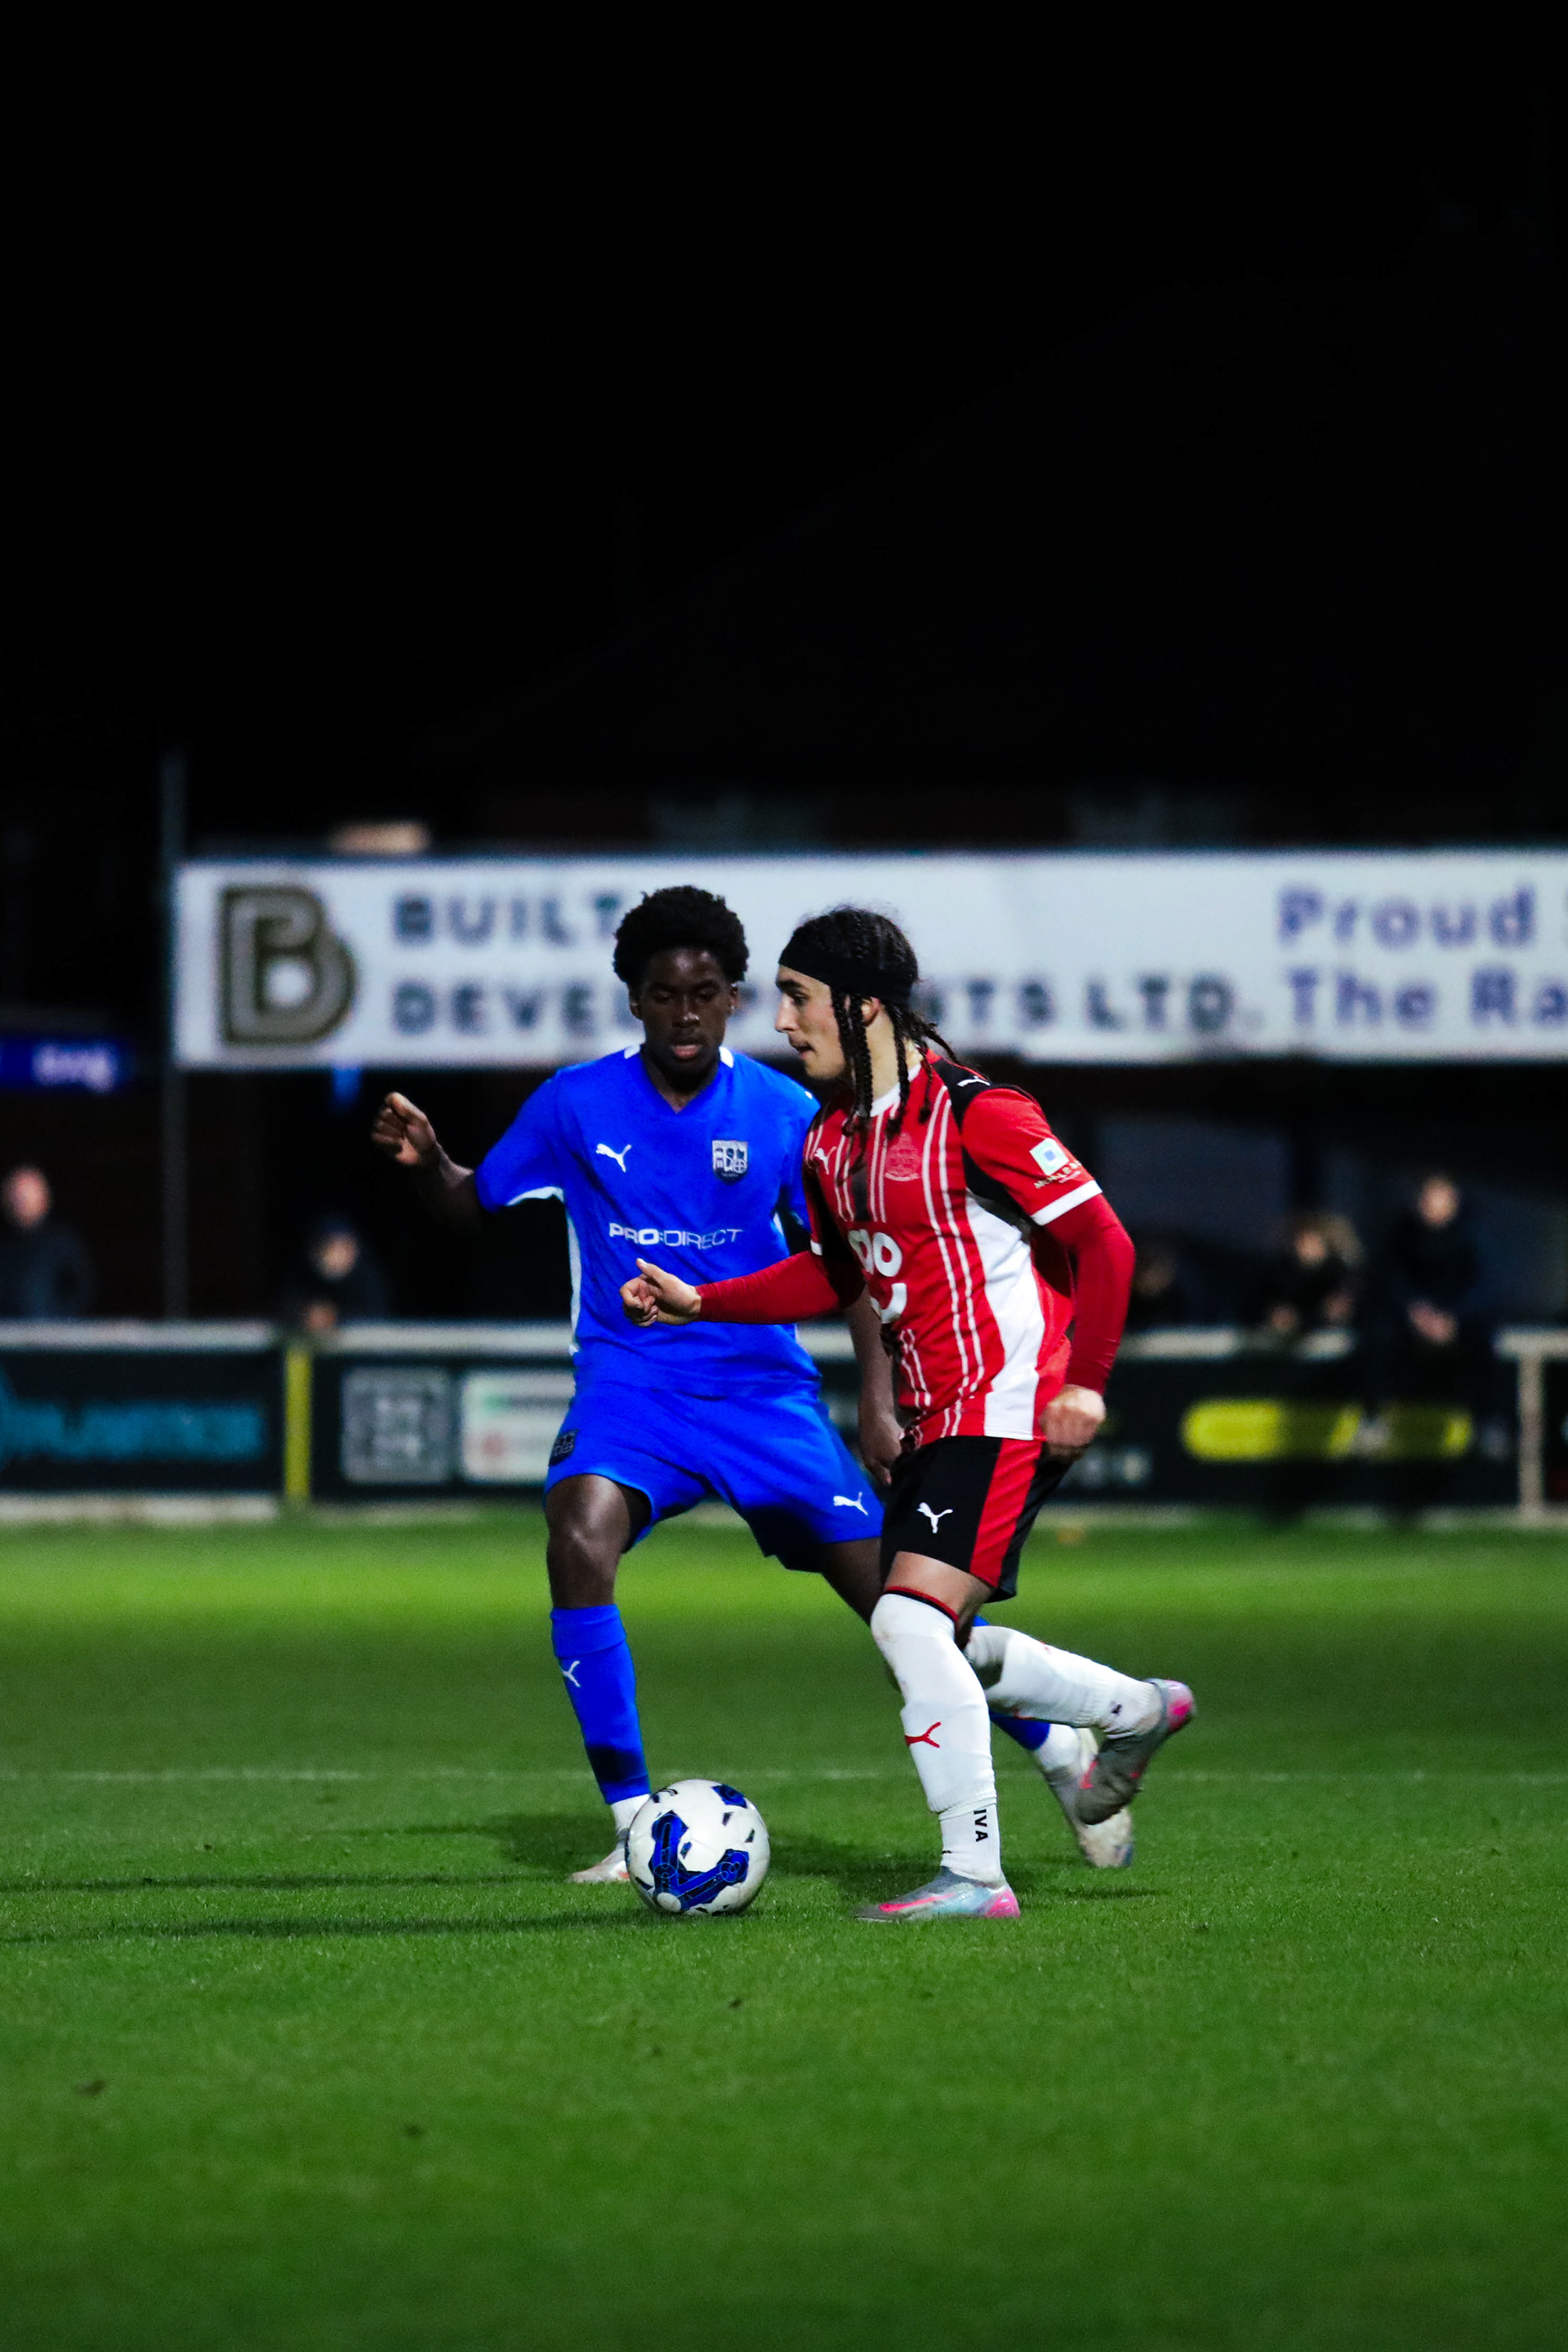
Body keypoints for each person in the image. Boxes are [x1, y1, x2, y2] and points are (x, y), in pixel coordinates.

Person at [622, 906, 1193, 1922]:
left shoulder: (982, 1117)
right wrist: (703, 1299)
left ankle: (975, 1876)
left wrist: (1087, 1382)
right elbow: (836, 1273)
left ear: (865, 1005)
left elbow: (1106, 1244)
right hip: (939, 1418)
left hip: (1008, 1398)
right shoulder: (832, 1141)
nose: (782, 1020)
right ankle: (1133, 1712)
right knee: (940, 1639)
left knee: (903, 1617)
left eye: (798, 998)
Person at [371, 888, 902, 1883]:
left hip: (759, 1391)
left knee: (899, 1603)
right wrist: (429, 1163)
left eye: (706, 993)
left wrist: (875, 1397)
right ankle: (629, 1824)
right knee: (577, 1533)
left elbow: (852, 1263)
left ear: (734, 1000)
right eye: (665, 994)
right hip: (633, 1386)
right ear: (636, 1001)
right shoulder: (575, 1103)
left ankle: (1056, 1736)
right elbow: (478, 1210)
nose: (686, 1013)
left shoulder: (786, 1112)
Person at [1358, 1173, 1493, 1430]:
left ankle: (1486, 1423)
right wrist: (1415, 1313)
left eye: (1440, 1197)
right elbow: (1389, 1281)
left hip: (1454, 1322)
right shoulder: (1399, 1235)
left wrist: (1452, 1318)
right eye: (1427, 1197)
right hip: (1406, 1322)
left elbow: (1482, 1288)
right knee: (1377, 1334)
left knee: (1483, 1336)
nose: (1432, 1204)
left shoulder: (1471, 1238)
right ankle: (1373, 1418)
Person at [0, 1165, 95, 1320]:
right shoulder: (3, 1247)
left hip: (53, 1337)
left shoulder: (63, 1243)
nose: (21, 1202)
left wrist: (63, 1323)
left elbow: (82, 1290)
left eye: (27, 1196)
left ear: (44, 1198)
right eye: (16, 1196)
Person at [1253, 1211, 1361, 1339]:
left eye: (1313, 1242)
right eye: (1302, 1242)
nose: (1306, 1248)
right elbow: (1269, 1305)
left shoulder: (1341, 1275)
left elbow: (1340, 1310)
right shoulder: (1282, 1273)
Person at [278, 1214, 393, 1334]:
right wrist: (304, 1313)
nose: (337, 1255)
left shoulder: (368, 1279)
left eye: (344, 1247)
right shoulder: (300, 1275)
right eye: (329, 1246)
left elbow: (376, 1315)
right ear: (313, 1250)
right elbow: (284, 1306)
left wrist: (337, 1318)